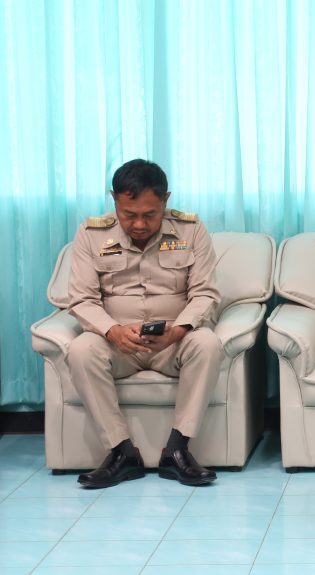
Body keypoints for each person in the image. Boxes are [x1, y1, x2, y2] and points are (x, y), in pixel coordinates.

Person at [67, 159, 224, 488]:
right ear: (114, 199)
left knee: (207, 343)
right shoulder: (91, 234)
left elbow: (205, 293)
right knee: (80, 350)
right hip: (117, 344)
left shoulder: (191, 230)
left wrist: (178, 331)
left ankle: (177, 451)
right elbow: (82, 299)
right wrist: (112, 331)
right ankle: (122, 453)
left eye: (150, 214)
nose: (139, 224)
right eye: (128, 214)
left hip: (172, 343)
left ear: (166, 200)